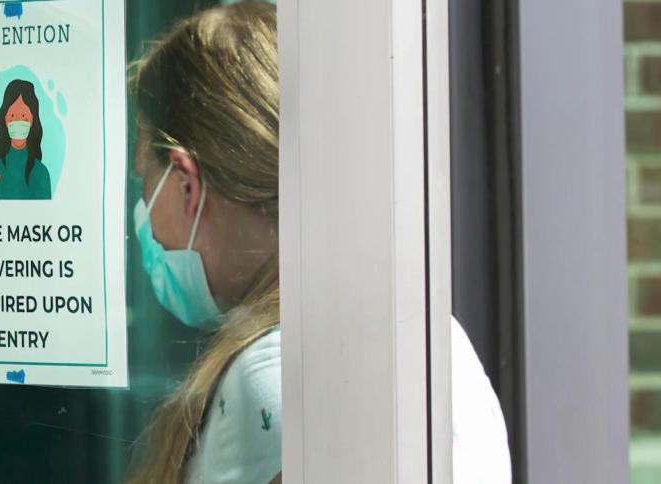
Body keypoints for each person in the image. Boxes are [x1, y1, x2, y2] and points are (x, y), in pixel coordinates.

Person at [127, 3, 510, 484]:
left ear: (186, 185)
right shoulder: (429, 338)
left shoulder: (277, 379)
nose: (142, 209)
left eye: (143, 178)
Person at [0, 79, 51, 207]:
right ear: (5, 119)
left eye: (23, 116)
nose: (17, 121)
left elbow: (46, 213)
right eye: (12, 116)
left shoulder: (41, 173)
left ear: (32, 119)